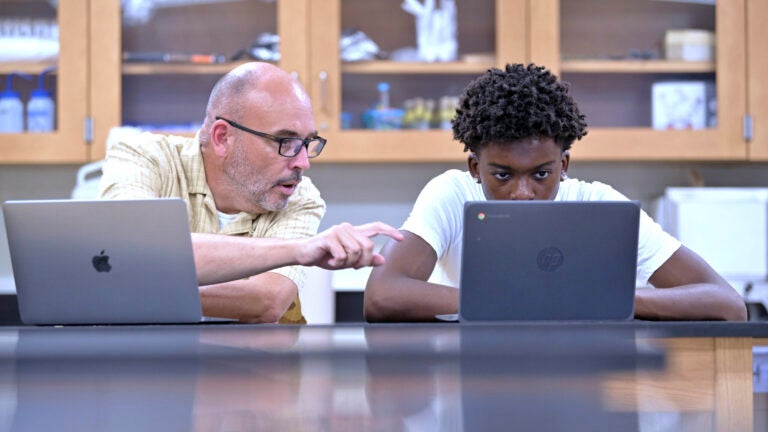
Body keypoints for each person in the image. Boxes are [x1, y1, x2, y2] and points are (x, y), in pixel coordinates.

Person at [364, 63, 747, 322]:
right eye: (502, 175)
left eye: (541, 174)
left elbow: (728, 304)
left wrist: (608, 302)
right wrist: (534, 303)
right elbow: (382, 296)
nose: (522, 193)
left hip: (582, 382)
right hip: (478, 375)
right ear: (475, 168)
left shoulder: (599, 207)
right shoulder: (450, 194)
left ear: (564, 165)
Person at [100, 62, 402, 324]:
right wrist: (300, 249)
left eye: (308, 142)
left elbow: (266, 302)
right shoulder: (143, 156)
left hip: (256, 379)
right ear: (223, 138)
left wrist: (136, 286)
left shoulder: (300, 197)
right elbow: (134, 249)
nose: (303, 162)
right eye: (284, 141)